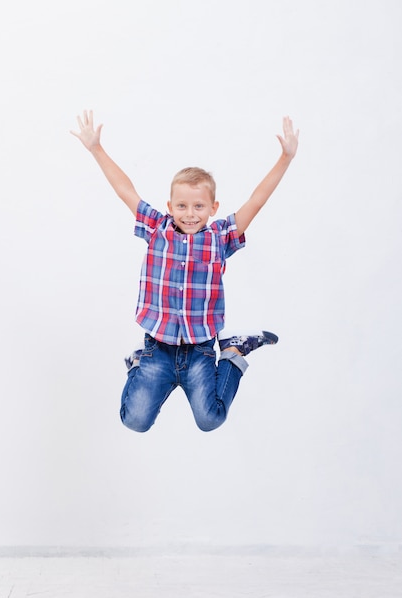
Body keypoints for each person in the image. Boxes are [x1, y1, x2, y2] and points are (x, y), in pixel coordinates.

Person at [71, 111, 299, 432]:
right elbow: (125, 190)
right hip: (158, 348)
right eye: (182, 206)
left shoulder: (220, 237)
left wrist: (286, 158)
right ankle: (137, 363)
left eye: (199, 206)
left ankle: (233, 351)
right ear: (170, 206)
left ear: (213, 208)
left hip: (200, 350)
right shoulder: (157, 228)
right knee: (133, 420)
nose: (190, 214)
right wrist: (96, 148)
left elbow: (256, 201)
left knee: (210, 419)